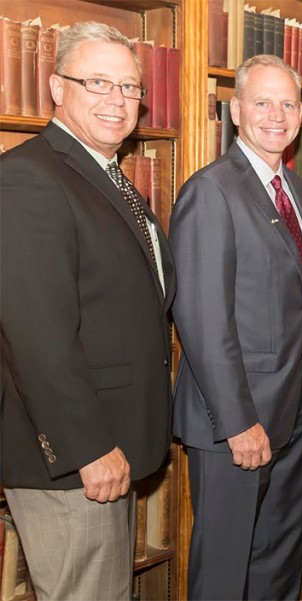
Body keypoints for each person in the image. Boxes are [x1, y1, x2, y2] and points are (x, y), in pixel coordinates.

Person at [0, 21, 175, 600]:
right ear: (55, 87)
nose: (118, 101)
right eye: (97, 82)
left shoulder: (107, 175)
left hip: (111, 444)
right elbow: (36, 334)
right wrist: (87, 449)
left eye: (129, 88)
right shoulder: (29, 177)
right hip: (76, 459)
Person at [169, 54, 302, 600]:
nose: (275, 115)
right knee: (226, 572)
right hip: (236, 423)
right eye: (261, 102)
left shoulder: (294, 190)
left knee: (277, 565)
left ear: (301, 114)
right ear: (235, 112)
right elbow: (203, 319)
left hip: (293, 412)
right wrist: (238, 423)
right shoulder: (212, 190)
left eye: (287, 103)